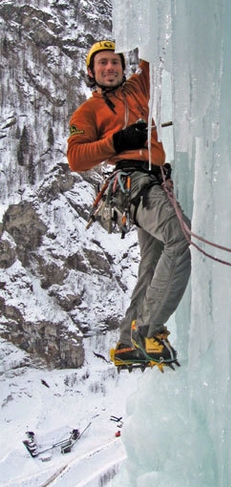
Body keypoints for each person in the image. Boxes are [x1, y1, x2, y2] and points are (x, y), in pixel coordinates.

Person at [67, 40, 191, 367]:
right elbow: (76, 157)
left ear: (123, 67)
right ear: (92, 72)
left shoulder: (137, 88)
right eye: (102, 63)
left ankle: (126, 344)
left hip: (157, 180)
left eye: (115, 62)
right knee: (179, 237)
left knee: (152, 264)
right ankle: (148, 330)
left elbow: (154, 55)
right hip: (131, 182)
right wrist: (116, 141)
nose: (109, 68)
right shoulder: (89, 111)